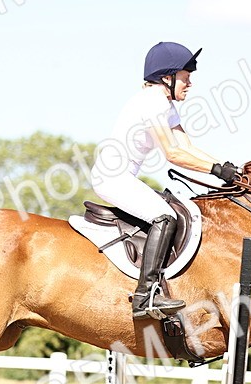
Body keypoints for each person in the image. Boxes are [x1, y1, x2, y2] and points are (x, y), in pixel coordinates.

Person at [90, 41, 240, 319]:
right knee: (165, 215)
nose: (190, 83)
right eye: (186, 76)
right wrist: (216, 170)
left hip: (123, 176)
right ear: (167, 77)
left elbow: (187, 147)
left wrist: (226, 168)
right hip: (113, 178)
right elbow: (173, 154)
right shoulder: (152, 103)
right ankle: (145, 296)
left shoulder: (166, 105)